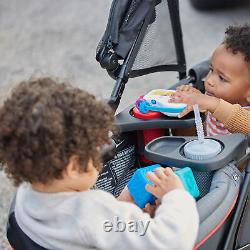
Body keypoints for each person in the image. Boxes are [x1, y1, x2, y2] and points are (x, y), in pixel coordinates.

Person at [0, 78, 199, 250]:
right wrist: (176, 195)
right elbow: (172, 241)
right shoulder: (94, 212)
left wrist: (123, 208)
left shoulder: (26, 192)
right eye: (98, 152)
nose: (103, 155)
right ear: (73, 166)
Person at [170, 24, 250, 136]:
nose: (209, 81)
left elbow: (241, 121)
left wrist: (209, 103)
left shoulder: (243, 117)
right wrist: (194, 106)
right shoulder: (212, 101)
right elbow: (194, 136)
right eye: (211, 70)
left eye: (222, 78)